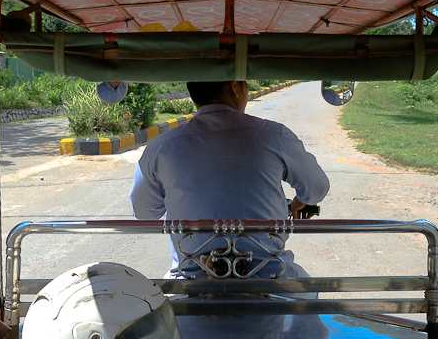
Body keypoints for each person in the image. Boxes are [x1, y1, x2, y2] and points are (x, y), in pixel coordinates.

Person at [129, 80, 330, 281]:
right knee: (308, 296)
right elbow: (317, 187)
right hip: (269, 276)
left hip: (191, 280)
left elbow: (144, 212)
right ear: (235, 86)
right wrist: (297, 203)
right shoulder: (274, 135)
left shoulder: (161, 147)